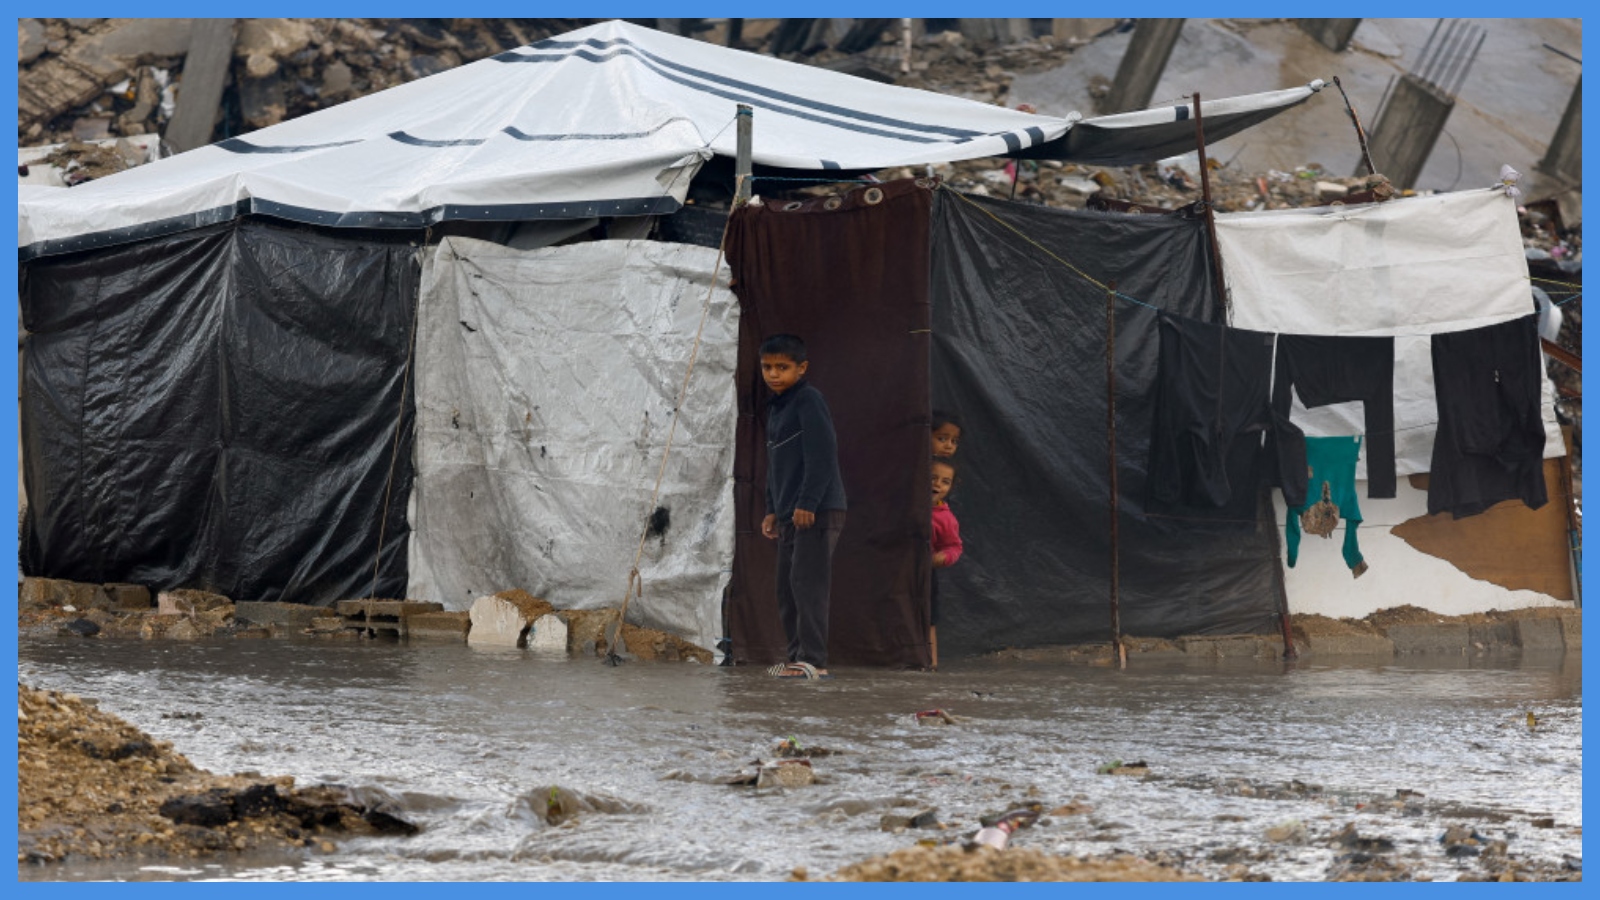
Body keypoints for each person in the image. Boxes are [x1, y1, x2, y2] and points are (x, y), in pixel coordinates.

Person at [758, 334, 847, 681]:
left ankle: (814, 660)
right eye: (767, 367)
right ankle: (796, 656)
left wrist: (808, 502)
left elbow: (823, 454)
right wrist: (771, 509)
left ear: (802, 368)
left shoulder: (809, 400)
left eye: (783, 367)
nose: (774, 374)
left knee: (807, 583)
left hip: (816, 510)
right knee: (787, 585)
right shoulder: (776, 407)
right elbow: (775, 464)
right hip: (788, 513)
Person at [929, 456, 963, 670]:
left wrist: (943, 557)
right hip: (897, 570)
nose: (937, 484)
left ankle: (930, 663)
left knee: (928, 619)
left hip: (925, 574)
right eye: (932, 478)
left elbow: (954, 546)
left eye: (945, 481)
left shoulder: (945, 518)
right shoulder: (905, 505)